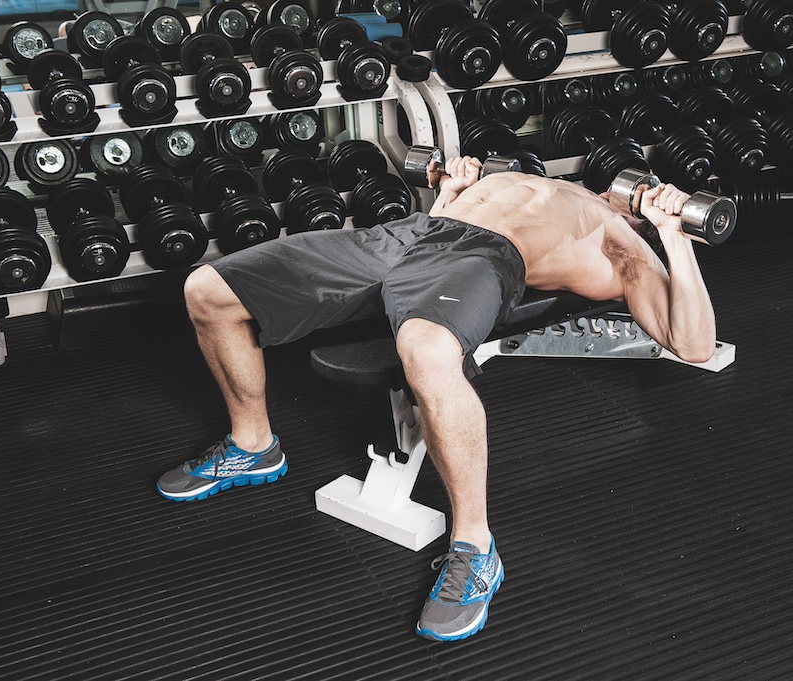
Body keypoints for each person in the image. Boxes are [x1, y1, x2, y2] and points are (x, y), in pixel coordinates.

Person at [156, 155, 717, 642]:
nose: (621, 191)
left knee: (426, 352)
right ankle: (252, 442)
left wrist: (674, 235)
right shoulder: (540, 182)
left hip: (481, 258)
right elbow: (447, 211)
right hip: (410, 233)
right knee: (208, 290)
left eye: (637, 193)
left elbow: (692, 344)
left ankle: (475, 548)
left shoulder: (623, 243)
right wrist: (449, 188)